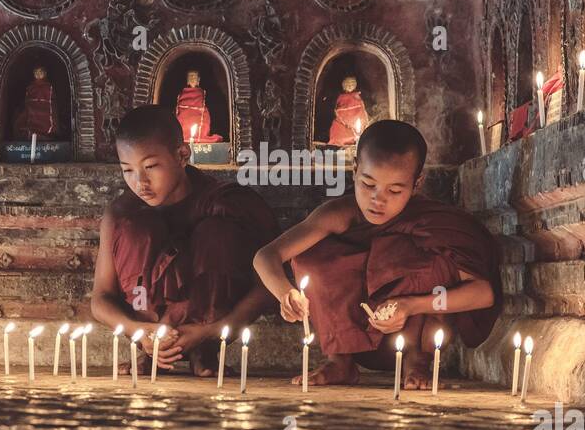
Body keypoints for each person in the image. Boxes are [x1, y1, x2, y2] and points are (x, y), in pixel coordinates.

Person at [254, 120, 501, 389]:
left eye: (395, 190)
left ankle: (417, 362)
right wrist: (285, 293)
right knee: (310, 257)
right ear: (354, 171)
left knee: (434, 262)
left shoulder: (434, 225)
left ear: (416, 184)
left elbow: (483, 294)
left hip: (410, 331)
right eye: (368, 184)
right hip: (354, 332)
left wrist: (412, 305)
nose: (378, 200)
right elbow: (266, 255)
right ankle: (340, 362)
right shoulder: (340, 214)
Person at [91, 105, 279, 378]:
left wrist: (212, 331)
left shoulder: (229, 203)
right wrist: (139, 332)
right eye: (127, 170)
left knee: (218, 234)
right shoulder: (122, 213)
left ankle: (204, 352)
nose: (139, 182)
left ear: (182, 155)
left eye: (151, 166)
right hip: (148, 329)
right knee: (137, 231)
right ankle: (152, 353)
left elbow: (267, 287)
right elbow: (100, 299)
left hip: (212, 330)